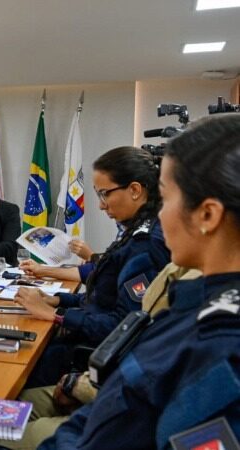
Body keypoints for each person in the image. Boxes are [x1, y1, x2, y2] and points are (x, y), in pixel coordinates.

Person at [38, 114, 240, 450]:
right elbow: (118, 403)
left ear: (207, 214)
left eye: (166, 197)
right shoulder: (192, 303)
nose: (160, 214)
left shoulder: (220, 345)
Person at [0, 263, 202, 450]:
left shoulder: (202, 305)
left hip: (118, 416)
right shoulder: (182, 273)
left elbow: (152, 389)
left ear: (208, 217)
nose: (162, 216)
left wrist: (80, 387)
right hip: (104, 392)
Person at [15, 147, 170, 388]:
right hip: (82, 341)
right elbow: (103, 299)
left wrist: (55, 317)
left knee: (18, 372)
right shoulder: (135, 232)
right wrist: (58, 300)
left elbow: (125, 326)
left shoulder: (145, 245)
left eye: (105, 194)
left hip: (91, 359)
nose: (101, 205)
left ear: (135, 190)